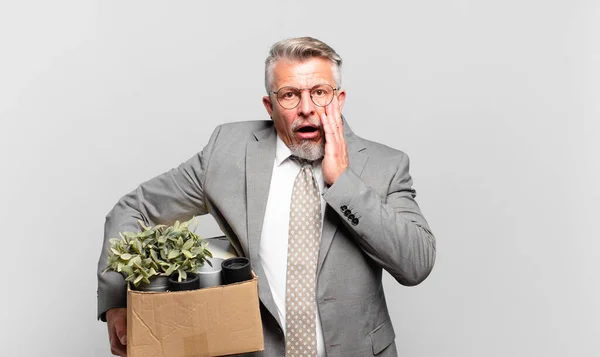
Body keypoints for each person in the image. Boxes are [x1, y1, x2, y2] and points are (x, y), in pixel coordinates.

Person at [97, 36, 436, 357]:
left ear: (339, 99)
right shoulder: (227, 153)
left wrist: (344, 182)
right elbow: (135, 208)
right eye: (289, 95)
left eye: (320, 92)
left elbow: (416, 264)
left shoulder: (384, 165)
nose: (307, 108)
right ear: (270, 105)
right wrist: (117, 301)